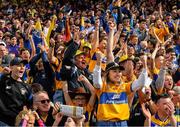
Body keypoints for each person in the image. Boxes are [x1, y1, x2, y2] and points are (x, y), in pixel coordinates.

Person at [0, 57, 33, 126]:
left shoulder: (27, 87)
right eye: (19, 65)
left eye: (23, 66)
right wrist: (2, 73)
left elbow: (30, 105)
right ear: (11, 67)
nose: (22, 68)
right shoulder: (3, 79)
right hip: (3, 121)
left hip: (18, 122)